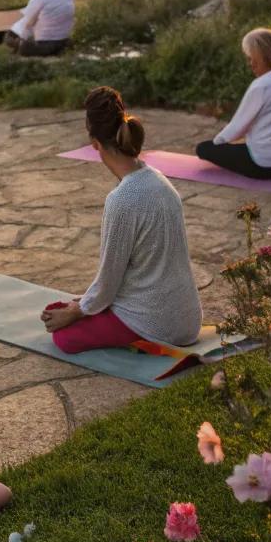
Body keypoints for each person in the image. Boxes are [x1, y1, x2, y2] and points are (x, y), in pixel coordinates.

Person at [41, 86, 202, 354]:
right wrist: (84, 304)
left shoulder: (122, 199)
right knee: (67, 309)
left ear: (95, 145)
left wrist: (79, 310)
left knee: (63, 337)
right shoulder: (160, 180)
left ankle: (109, 323)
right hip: (187, 318)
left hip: (157, 324)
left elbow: (109, 278)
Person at [196, 27, 271, 181]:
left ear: (262, 56)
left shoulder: (261, 85)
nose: (251, 64)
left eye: (252, 58)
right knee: (239, 149)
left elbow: (237, 128)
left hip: (264, 165)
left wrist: (216, 143)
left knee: (203, 148)